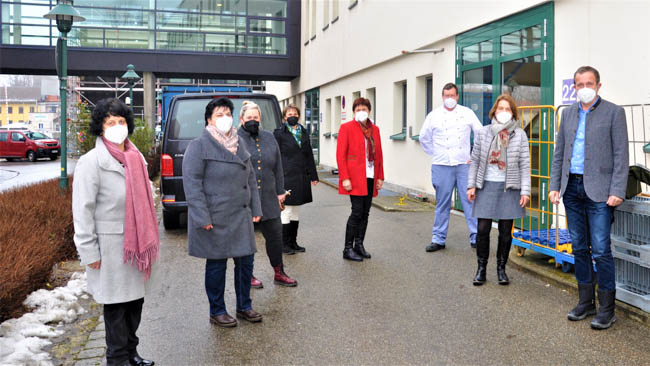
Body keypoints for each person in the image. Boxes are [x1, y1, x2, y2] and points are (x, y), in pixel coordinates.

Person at [72, 98, 157, 366]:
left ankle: (131, 352)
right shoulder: (91, 161)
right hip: (110, 248)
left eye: (121, 121)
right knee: (117, 307)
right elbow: (82, 211)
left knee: (135, 303)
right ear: (101, 127)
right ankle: (117, 358)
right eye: (111, 122)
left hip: (137, 246)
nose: (117, 126)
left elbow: (147, 196)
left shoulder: (136, 157)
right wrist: (88, 251)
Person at [549, 66, 628, 330]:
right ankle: (585, 303)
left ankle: (607, 309)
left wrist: (617, 189)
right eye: (579, 83)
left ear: (598, 85)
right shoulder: (568, 113)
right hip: (571, 188)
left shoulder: (614, 113)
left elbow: (621, 155)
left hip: (600, 192)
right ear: (574, 86)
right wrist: (554, 185)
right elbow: (559, 152)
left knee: (602, 250)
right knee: (580, 248)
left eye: (589, 83)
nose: (584, 87)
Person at [182, 97, 264, 328]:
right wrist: (201, 217)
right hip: (215, 216)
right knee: (217, 265)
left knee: (245, 262)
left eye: (228, 114)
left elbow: (250, 179)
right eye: (219, 114)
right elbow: (192, 184)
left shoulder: (240, 143)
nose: (225, 119)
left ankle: (244, 306)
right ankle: (217, 310)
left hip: (240, 214)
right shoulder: (198, 146)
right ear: (209, 119)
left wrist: (256, 208)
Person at [467, 94, 530, 286]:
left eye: (507, 109)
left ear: (513, 113)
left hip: (509, 187)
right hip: (486, 185)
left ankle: (501, 269)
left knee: (505, 231)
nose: (503, 112)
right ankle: (481, 269)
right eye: (500, 108)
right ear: (494, 111)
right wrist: (471, 185)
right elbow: (475, 160)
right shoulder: (484, 133)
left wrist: (525, 191)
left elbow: (525, 164)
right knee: (483, 229)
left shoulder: (519, 134)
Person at [237, 100, 298, 288]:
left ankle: (279, 272)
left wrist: (280, 191)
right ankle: (247, 275)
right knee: (246, 238)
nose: (253, 120)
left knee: (275, 235)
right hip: (245, 198)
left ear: (260, 119)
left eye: (256, 117)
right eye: (249, 118)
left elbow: (278, 166)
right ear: (241, 119)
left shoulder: (269, 137)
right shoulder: (234, 139)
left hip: (269, 197)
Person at [419, 83, 483, 252]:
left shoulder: (467, 113)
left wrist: (474, 154)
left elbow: (479, 132)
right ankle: (438, 239)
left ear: (457, 96)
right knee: (442, 203)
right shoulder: (433, 116)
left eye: (452, 95)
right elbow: (424, 138)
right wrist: (436, 152)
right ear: (442, 97)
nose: (449, 99)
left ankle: (476, 236)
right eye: (446, 96)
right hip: (441, 165)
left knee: (470, 200)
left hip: (464, 164)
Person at [336, 97, 384, 261]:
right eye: (358, 110)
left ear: (369, 111)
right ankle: (347, 248)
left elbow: (379, 154)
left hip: (370, 175)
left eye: (364, 109)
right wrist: (344, 178)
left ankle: (359, 245)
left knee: (365, 212)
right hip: (355, 177)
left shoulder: (375, 129)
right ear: (353, 112)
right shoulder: (346, 128)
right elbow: (340, 155)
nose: (361, 112)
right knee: (356, 212)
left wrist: (380, 176)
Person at [273, 104, 319, 254]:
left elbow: (309, 155)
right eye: (289, 113)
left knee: (297, 210)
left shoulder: (303, 132)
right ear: (284, 117)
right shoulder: (279, 133)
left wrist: (314, 175)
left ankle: (293, 242)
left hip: (301, 176)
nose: (292, 115)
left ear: (299, 116)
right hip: (286, 175)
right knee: (286, 210)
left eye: (295, 113)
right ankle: (283, 244)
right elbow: (275, 156)